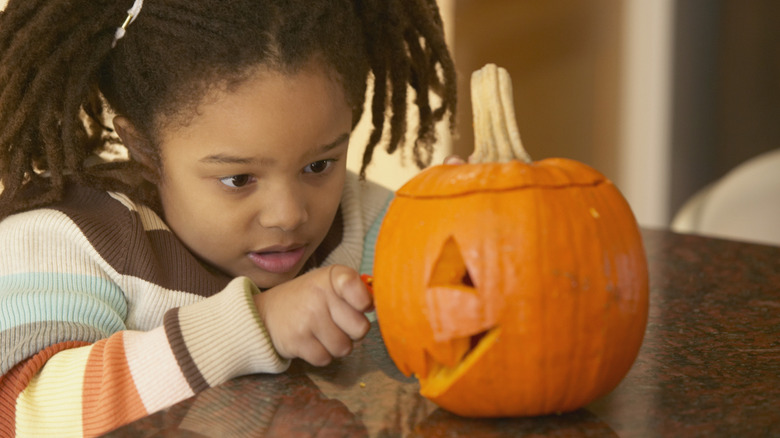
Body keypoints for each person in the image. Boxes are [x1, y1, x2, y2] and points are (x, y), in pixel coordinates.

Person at [0, 0, 456, 435]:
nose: (289, 215)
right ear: (144, 149)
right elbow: (30, 417)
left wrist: (469, 224)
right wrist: (256, 325)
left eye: (318, 166)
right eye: (239, 179)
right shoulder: (65, 240)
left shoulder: (368, 221)